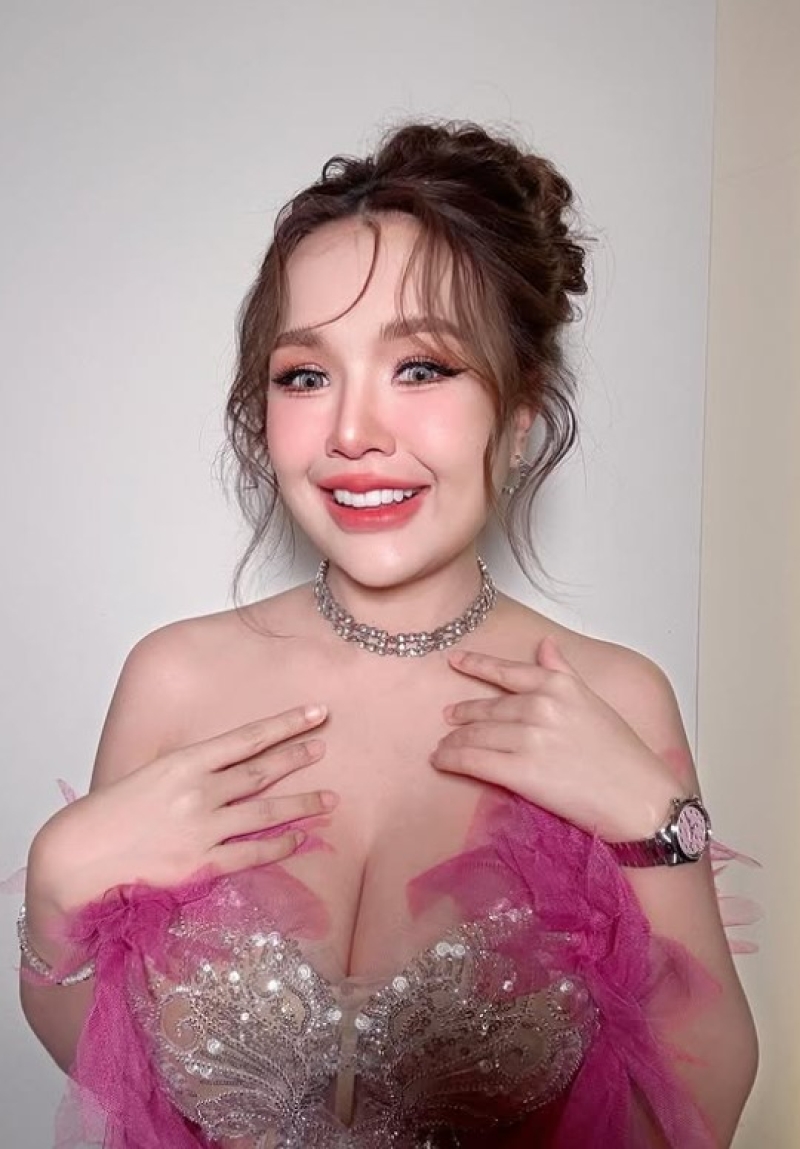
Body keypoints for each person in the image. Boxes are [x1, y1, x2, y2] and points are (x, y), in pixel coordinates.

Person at [18, 120, 757, 1148]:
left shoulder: (610, 699)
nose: (353, 433)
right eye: (304, 375)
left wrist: (653, 826)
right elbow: (107, 1061)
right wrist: (54, 885)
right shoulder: (172, 681)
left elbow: (690, 1117)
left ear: (520, 414)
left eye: (421, 367)